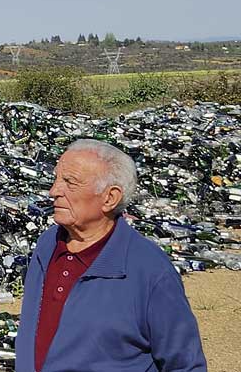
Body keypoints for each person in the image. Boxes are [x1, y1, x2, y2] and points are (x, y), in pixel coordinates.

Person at [14, 139, 207, 372]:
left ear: (109, 198)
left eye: (69, 182)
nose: (54, 191)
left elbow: (185, 364)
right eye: (55, 179)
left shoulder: (148, 270)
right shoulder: (47, 245)